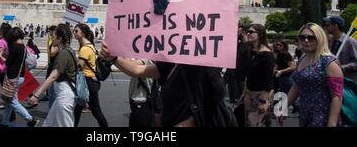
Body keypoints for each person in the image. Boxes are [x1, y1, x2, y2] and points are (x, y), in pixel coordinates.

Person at [101, 41, 229, 127]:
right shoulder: (171, 63)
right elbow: (138, 70)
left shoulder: (202, 66)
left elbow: (211, 104)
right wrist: (114, 58)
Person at [277, 23, 344, 127]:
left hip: (323, 117)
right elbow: (297, 86)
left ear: (319, 39)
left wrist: (332, 123)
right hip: (305, 114)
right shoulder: (302, 59)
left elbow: (337, 96)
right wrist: (284, 107)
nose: (306, 40)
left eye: (311, 38)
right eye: (302, 37)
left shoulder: (329, 63)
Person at [28, 24, 77, 127]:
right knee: (49, 123)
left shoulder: (64, 54)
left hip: (65, 96)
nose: (51, 38)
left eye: (53, 36)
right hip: (62, 95)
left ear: (59, 38)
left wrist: (36, 94)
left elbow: (53, 77)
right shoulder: (68, 50)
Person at [0, 27, 38, 127]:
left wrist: (0, 56)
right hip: (20, 76)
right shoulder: (23, 47)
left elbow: (8, 62)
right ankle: (4, 122)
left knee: (12, 101)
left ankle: (30, 119)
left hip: (13, 77)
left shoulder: (14, 47)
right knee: (8, 101)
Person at [73, 23, 109, 127]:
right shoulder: (89, 46)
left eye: (76, 31)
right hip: (89, 82)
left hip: (88, 83)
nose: (74, 33)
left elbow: (79, 67)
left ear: (83, 33)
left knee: (96, 112)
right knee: (79, 109)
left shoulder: (85, 49)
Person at [242, 24, 275, 127]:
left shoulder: (267, 55)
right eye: (248, 31)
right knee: (248, 123)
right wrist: (244, 93)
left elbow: (268, 80)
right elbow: (249, 75)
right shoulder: (251, 52)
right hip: (249, 94)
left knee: (257, 123)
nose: (248, 33)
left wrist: (263, 101)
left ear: (260, 34)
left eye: (251, 32)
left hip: (260, 96)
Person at [324, 15, 357, 83]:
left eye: (328, 25)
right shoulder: (330, 42)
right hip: (334, 81)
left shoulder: (350, 42)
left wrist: (343, 67)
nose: (325, 27)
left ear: (335, 26)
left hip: (349, 82)